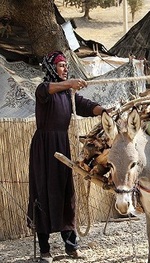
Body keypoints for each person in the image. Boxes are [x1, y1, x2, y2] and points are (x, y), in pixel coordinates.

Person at [26, 51, 106, 263]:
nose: (65, 69)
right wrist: (70, 83)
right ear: (52, 69)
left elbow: (87, 106)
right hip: (44, 148)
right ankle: (45, 250)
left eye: (66, 66)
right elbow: (49, 89)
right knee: (42, 192)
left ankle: (71, 246)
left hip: (61, 145)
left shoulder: (68, 95)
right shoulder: (44, 89)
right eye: (61, 66)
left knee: (65, 190)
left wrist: (104, 111)